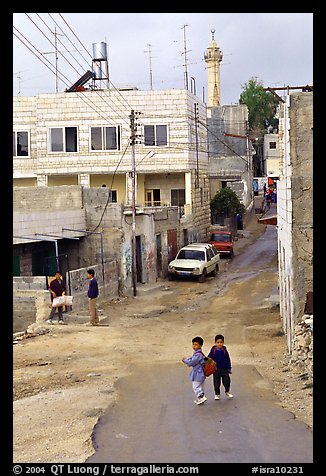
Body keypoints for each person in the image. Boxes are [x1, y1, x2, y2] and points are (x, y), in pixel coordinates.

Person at [182, 336, 207, 405]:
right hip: (201, 373)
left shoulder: (198, 354)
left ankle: (201, 397)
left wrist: (185, 360)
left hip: (198, 373)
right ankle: (200, 398)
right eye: (193, 344)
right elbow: (192, 359)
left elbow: (192, 362)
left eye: (196, 344)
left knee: (195, 386)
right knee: (200, 386)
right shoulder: (198, 353)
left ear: (200, 345)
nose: (194, 346)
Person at [207, 334, 233, 399]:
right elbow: (209, 358)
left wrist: (229, 368)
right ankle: (217, 394)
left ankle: (227, 391)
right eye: (218, 342)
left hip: (224, 369)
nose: (219, 344)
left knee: (227, 381)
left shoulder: (225, 351)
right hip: (216, 370)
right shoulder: (213, 350)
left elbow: (228, 359)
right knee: (216, 383)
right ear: (215, 343)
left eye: (221, 342)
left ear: (223, 343)